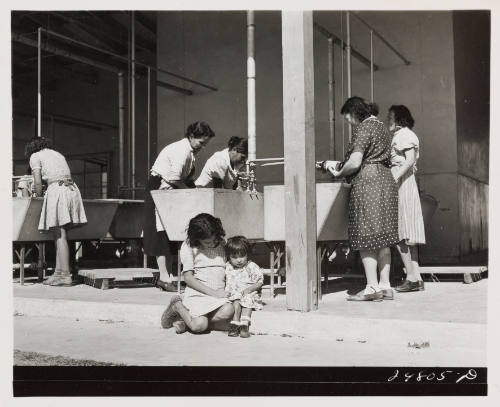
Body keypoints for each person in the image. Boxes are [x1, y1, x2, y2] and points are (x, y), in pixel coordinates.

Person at [321, 97, 399, 301]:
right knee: (384, 237)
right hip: (386, 180)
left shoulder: (363, 128)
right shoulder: (383, 128)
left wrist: (338, 172)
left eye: (348, 119)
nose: (350, 123)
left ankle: (371, 288)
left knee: (365, 236)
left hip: (368, 182)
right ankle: (385, 286)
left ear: (354, 113)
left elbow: (355, 162)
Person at [142, 122, 215, 292]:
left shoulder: (189, 151)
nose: (202, 147)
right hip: (159, 190)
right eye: (201, 142)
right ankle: (164, 278)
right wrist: (190, 192)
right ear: (191, 136)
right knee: (161, 232)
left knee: (171, 233)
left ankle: (169, 276)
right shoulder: (181, 150)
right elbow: (174, 178)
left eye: (205, 144)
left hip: (170, 193)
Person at [25, 136, 87, 286]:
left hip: (57, 190)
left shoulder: (35, 156)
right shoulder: (57, 154)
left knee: (60, 234)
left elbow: (38, 182)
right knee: (58, 234)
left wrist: (38, 196)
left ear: (32, 147)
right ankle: (58, 272)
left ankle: (65, 274)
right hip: (71, 189)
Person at [160, 213, 235, 334]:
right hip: (198, 293)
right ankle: (177, 305)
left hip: (218, 294)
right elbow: (188, 278)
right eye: (207, 242)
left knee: (229, 310)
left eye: (214, 240)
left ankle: (186, 322)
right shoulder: (189, 246)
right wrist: (214, 293)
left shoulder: (222, 243)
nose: (212, 244)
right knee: (199, 326)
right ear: (196, 239)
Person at [388, 105, 426, 292]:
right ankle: (415, 277)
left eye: (391, 116)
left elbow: (409, 160)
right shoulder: (404, 134)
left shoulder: (404, 134)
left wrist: (394, 177)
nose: (389, 119)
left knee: (401, 232)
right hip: (405, 182)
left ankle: (411, 278)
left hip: (402, 183)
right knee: (408, 232)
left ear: (399, 118)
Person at [224, 236, 264, 338]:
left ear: (247, 254)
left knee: (247, 300)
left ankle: (244, 325)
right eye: (234, 257)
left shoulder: (251, 266)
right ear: (229, 256)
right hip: (235, 294)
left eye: (242, 256)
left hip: (248, 292)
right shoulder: (228, 267)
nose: (239, 260)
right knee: (236, 302)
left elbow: (259, 282)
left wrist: (249, 289)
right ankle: (235, 323)